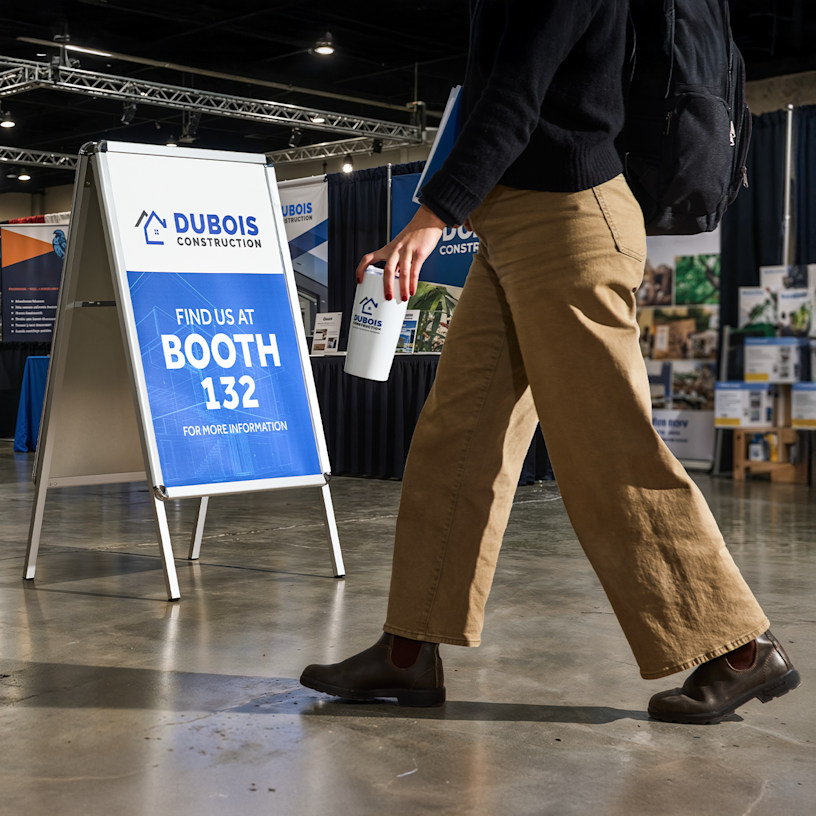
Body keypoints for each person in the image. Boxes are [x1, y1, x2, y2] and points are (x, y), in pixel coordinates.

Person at [300, 0, 800, 724]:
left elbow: (517, 92)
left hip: (567, 221)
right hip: (513, 223)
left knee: (605, 446)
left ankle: (739, 648)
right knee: (457, 441)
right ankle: (409, 651)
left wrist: (430, 218)